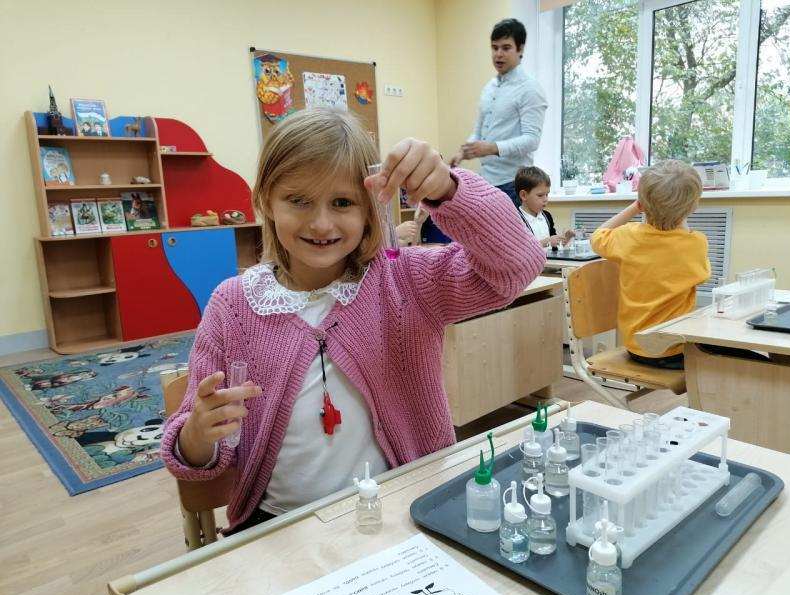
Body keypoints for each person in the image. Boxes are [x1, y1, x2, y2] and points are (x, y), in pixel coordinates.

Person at [161, 107, 545, 534]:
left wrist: (448, 190)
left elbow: (518, 265)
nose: (321, 223)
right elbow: (193, 455)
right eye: (298, 200)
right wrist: (198, 434)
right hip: (279, 528)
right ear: (264, 201)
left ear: (369, 209)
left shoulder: (406, 281)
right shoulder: (233, 306)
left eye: (342, 202)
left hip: (408, 510)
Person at [590, 160, 710, 370]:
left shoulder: (627, 237)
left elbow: (597, 236)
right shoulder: (695, 243)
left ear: (642, 202)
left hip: (636, 348)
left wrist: (635, 207)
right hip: (676, 350)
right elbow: (702, 273)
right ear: (694, 206)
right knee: (736, 359)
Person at [449, 18, 548, 207]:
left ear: (520, 49)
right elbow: (479, 132)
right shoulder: (489, 88)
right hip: (486, 183)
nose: (498, 54)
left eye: (506, 47)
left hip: (515, 184)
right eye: (494, 48)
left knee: (513, 238)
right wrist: (463, 152)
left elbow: (532, 140)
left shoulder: (530, 89)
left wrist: (492, 148)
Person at [515, 166, 574, 249]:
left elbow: (554, 246)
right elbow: (520, 249)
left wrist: (565, 238)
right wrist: (546, 242)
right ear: (523, 195)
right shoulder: (516, 220)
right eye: (540, 195)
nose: (546, 199)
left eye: (547, 194)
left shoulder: (547, 216)